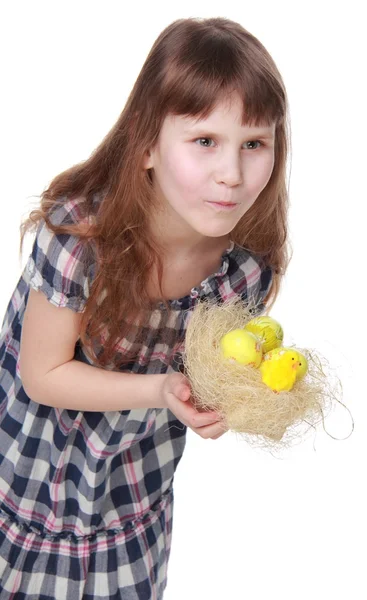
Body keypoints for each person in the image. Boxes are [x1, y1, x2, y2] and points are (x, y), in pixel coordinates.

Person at [0, 16, 290, 599]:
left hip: (129, 498)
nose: (231, 174)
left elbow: (206, 378)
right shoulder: (82, 239)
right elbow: (43, 375)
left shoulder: (244, 270)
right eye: (205, 141)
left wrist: (233, 401)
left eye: (253, 144)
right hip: (24, 484)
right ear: (149, 144)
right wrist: (160, 390)